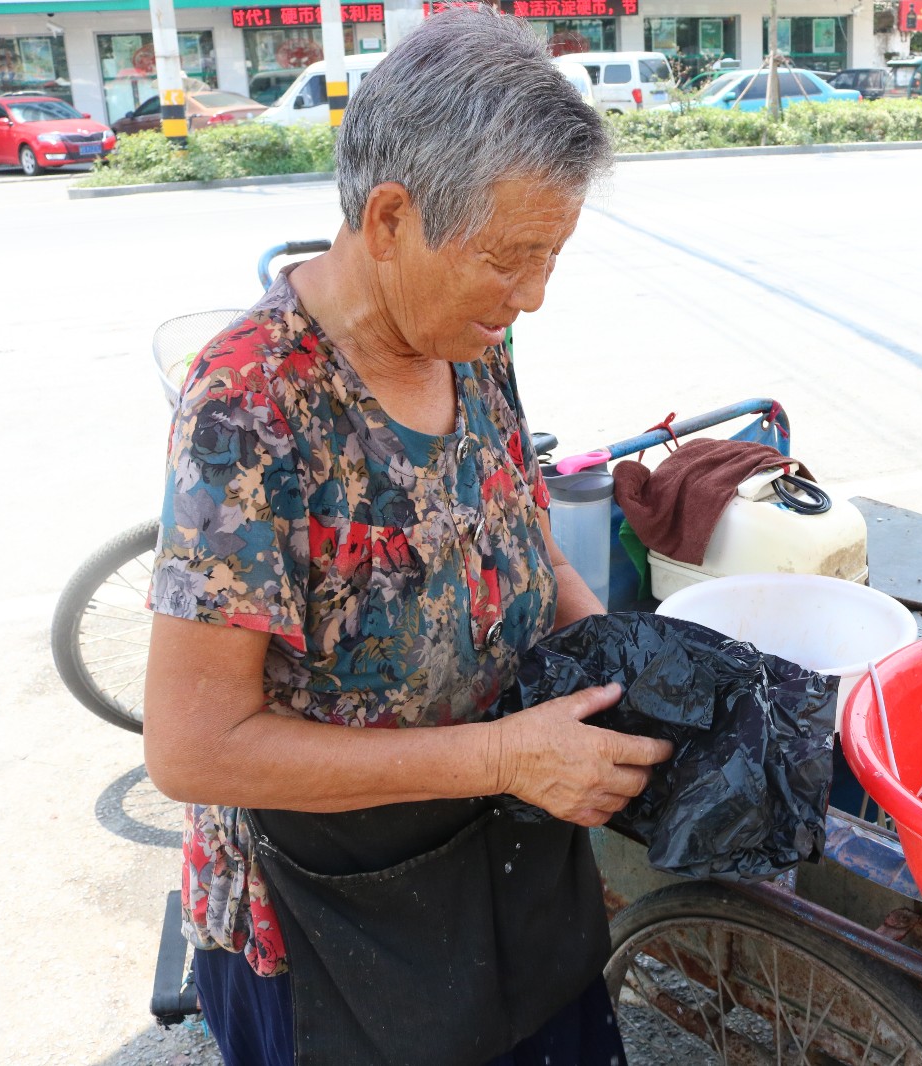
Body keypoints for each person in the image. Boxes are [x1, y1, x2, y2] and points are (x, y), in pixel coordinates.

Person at [142, 9, 673, 1065]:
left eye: (552, 256)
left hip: (505, 853)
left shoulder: (470, 335)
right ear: (390, 218)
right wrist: (505, 755)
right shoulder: (251, 405)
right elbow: (193, 748)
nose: (532, 296)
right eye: (510, 258)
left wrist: (625, 666)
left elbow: (523, 534)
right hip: (329, 919)